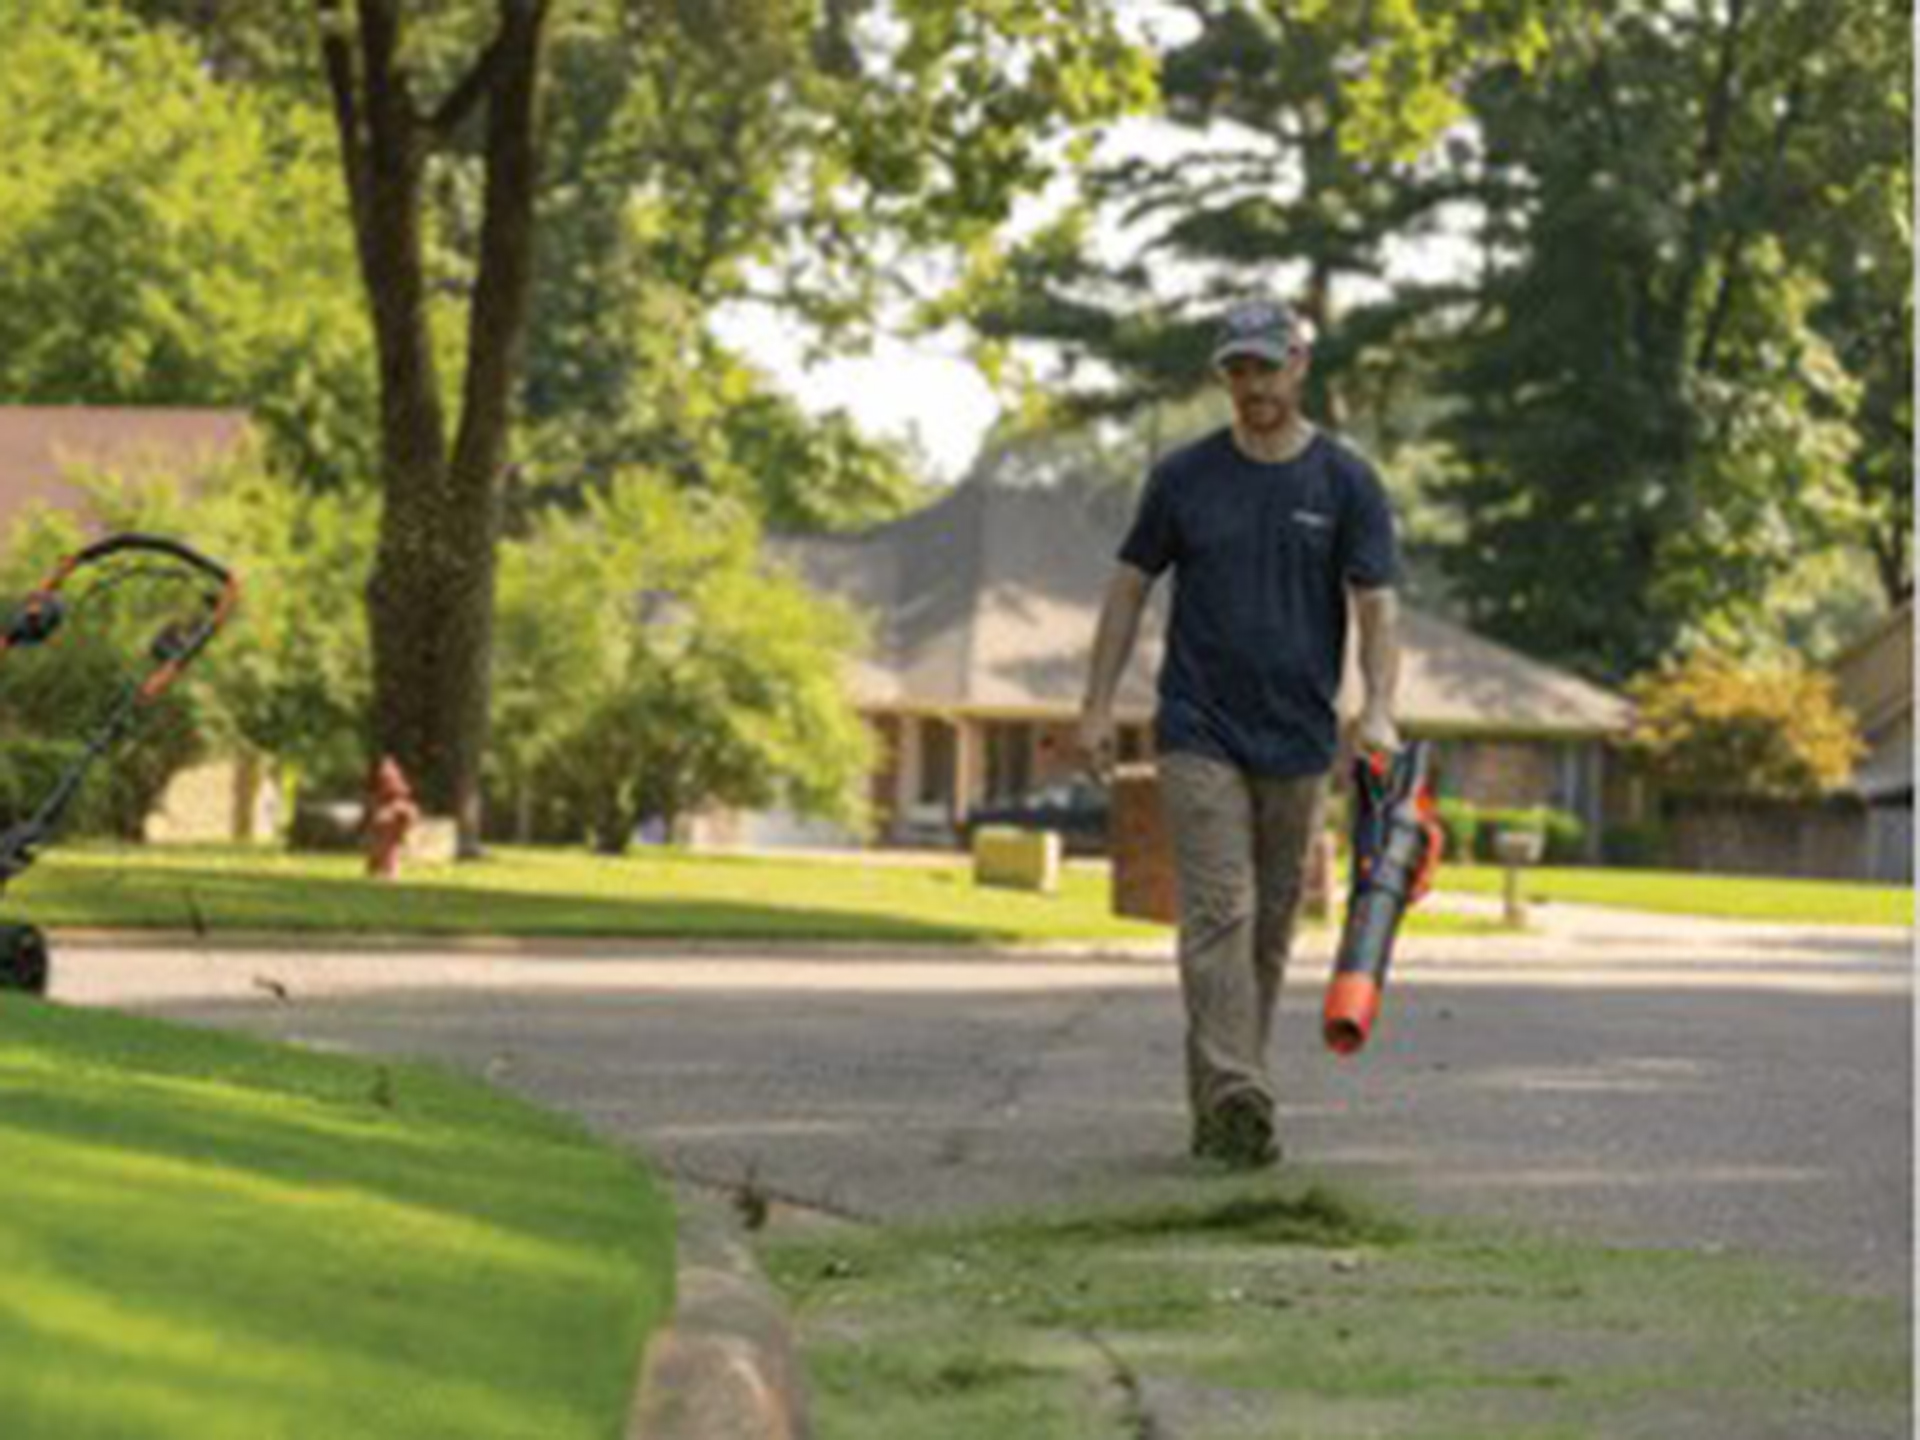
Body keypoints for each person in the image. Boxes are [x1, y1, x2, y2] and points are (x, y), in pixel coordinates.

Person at [1077, 297, 1403, 1169]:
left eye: (1266, 367)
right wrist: (1098, 703)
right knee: (1219, 910)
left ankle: (1224, 1113)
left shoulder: (1344, 482)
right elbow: (1127, 588)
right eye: (1237, 371)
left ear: (1300, 363)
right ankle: (1239, 1088)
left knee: (1266, 935)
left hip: (1298, 738)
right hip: (1198, 727)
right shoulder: (1186, 477)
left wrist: (1377, 707)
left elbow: (1376, 607)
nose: (1252, 386)